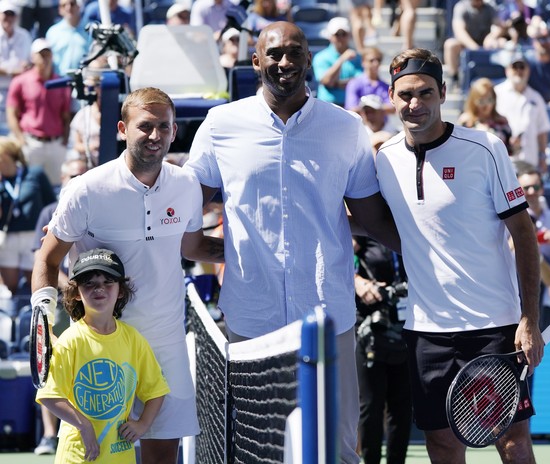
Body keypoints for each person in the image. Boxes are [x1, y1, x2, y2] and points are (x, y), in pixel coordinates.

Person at [184, 21, 400, 464]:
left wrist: (433, 246)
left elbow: (370, 217)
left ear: (307, 58)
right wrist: (203, 250)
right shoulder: (221, 124)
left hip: (327, 317)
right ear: (256, 61)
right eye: (276, 53)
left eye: (295, 52)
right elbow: (186, 209)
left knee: (337, 452)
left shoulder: (345, 127)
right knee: (254, 452)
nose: (285, 62)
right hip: (251, 317)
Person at [31, 87, 224, 464]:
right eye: (145, 127)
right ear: (122, 128)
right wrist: (43, 320)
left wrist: (250, 249)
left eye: (163, 127)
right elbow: (47, 258)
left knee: (162, 455)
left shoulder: (185, 186)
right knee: (97, 454)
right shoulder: (85, 190)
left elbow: (193, 248)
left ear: (173, 131)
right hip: (99, 347)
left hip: (165, 341)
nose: (155, 136)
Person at [375, 47, 544, 463]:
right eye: (406, 95)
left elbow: (523, 233)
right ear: (392, 97)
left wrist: (529, 320)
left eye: (426, 93)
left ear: (444, 93)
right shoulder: (383, 158)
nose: (415, 104)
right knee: (442, 443)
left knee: (513, 441)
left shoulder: (485, 147)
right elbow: (375, 223)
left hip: (495, 325)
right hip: (425, 329)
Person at [36, 248, 171, 463]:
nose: (99, 288)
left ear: (121, 291)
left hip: (121, 456)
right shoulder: (71, 340)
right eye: (88, 283)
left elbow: (157, 390)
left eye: (108, 282)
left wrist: (143, 424)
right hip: (77, 456)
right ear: (77, 293)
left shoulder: (133, 339)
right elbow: (49, 396)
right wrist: (84, 425)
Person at [32, 156, 89, 456]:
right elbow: (43, 259)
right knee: (51, 371)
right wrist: (71, 289)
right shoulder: (47, 212)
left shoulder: (90, 203)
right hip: (62, 304)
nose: (75, 180)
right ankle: (49, 435)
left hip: (90, 304)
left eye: (81, 174)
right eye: (71, 176)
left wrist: (88, 293)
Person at [353, 236, 411, 464]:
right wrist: (359, 282)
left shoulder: (407, 226)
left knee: (402, 407)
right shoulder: (365, 229)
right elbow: (338, 253)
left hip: (406, 329)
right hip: (370, 331)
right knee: (370, 405)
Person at [6, 38, 71, 187]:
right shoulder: (21, 81)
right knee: (30, 185)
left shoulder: (61, 83)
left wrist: (65, 140)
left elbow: (66, 115)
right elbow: (12, 113)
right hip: (31, 143)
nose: (44, 58)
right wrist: (21, 140)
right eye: (40, 54)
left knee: (56, 188)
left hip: (55, 143)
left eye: (47, 54)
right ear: (33, 57)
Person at [516, 161, 550, 330]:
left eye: (536, 186)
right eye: (526, 188)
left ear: (542, 188)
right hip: (519, 287)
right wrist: (536, 240)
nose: (531, 192)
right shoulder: (513, 219)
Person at [0, 136, 55, 296]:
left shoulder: (35, 174)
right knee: (9, 288)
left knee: (37, 283)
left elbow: (50, 204)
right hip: (7, 237)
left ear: (6, 155)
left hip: (34, 236)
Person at [495, 51, 550, 175]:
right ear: (507, 70)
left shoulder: (536, 97)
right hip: (500, 160)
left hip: (528, 161)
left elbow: (542, 130)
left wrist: (542, 156)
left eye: (522, 67)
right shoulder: (496, 94)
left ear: (528, 70)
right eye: (515, 67)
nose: (518, 70)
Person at [443, 0, 506, 85]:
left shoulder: (490, 7)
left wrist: (491, 37)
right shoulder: (461, 6)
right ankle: (455, 79)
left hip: (485, 44)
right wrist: (474, 48)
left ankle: (502, 78)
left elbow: (499, 26)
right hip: (467, 44)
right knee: (450, 45)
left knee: (502, 42)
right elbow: (459, 31)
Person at [312, 16, 363, 107]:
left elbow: (360, 81)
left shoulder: (357, 57)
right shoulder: (321, 57)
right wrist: (342, 59)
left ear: (349, 35)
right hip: (328, 106)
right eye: (337, 34)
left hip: (352, 106)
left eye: (343, 34)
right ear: (330, 36)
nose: (341, 37)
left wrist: (336, 84)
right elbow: (326, 81)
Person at [457, 77, 515, 155]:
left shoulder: (502, 121)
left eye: (490, 100)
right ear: (473, 101)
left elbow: (509, 151)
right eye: (481, 101)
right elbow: (460, 150)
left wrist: (515, 145)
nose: (486, 105)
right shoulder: (466, 122)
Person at [0, 0, 32, 136]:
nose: (8, 17)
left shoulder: (24, 36)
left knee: (14, 133)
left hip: (18, 92)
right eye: (5, 14)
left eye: (11, 14)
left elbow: (30, 62)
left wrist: (26, 67)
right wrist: (13, 71)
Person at [45, 0, 91, 77]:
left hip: (84, 80)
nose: (68, 7)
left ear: (78, 7)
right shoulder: (52, 32)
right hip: (60, 81)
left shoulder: (90, 29)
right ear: (59, 10)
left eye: (72, 4)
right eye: (64, 5)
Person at [344, 46, 391, 113]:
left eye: (378, 60)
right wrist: (375, 107)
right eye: (371, 60)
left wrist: (370, 107)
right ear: (363, 62)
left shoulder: (385, 86)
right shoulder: (354, 83)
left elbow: (392, 107)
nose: (376, 63)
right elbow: (351, 108)